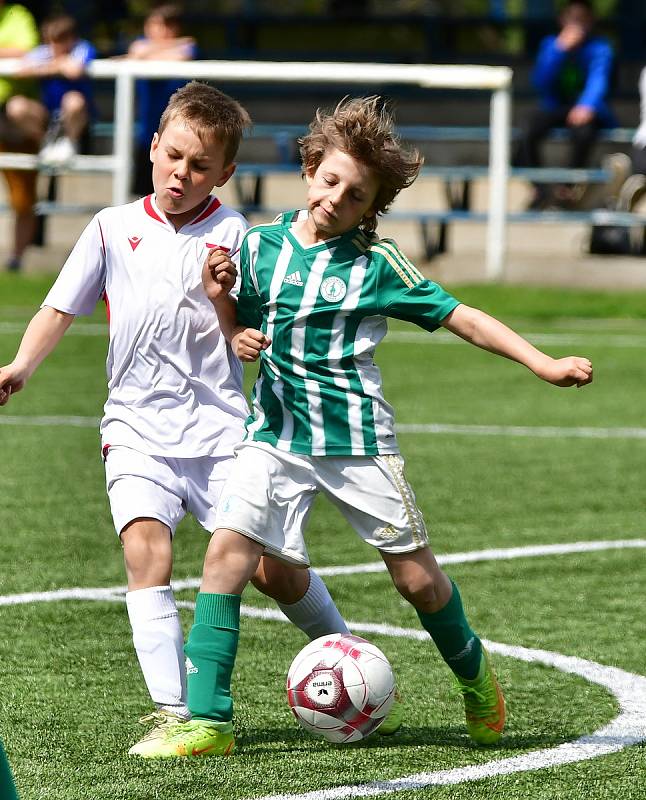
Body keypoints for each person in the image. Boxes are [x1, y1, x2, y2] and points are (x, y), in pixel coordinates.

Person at [144, 95, 594, 759]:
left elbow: (462, 316)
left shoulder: (379, 266)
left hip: (357, 445)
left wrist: (541, 362)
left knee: (416, 581)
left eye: (355, 196)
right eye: (330, 182)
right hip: (275, 439)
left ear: (372, 208)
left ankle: (474, 678)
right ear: (309, 170)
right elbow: (240, 320)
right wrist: (226, 310)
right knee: (227, 555)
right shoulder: (261, 247)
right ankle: (209, 721)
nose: (336, 200)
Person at [0, 81, 365, 757]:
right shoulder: (111, 227)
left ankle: (352, 673)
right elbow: (60, 307)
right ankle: (177, 713)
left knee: (274, 572)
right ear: (152, 150)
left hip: (224, 435)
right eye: (173, 157)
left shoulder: (238, 236)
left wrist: (240, 328)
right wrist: (20, 367)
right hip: (136, 431)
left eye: (199, 166)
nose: (181, 173)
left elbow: (255, 322)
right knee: (147, 550)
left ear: (224, 173)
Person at [515, 0, 616, 209]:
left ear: (591, 22)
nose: (577, 25)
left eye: (582, 19)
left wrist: (587, 105)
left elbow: (599, 80)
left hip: (586, 110)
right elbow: (540, 82)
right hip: (555, 107)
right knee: (527, 128)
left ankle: (566, 188)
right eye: (573, 19)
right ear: (562, 20)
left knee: (584, 132)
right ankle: (539, 189)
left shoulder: (600, 48)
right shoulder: (550, 45)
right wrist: (559, 51)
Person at [127, 3, 197, 197]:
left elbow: (180, 56)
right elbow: (137, 51)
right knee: (142, 197)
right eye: (151, 24)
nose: (151, 30)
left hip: (179, 136)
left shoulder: (187, 48)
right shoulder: (143, 44)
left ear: (172, 28)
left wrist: (151, 53)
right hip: (147, 136)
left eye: (158, 25)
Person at [16, 13, 96, 166]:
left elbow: (74, 71)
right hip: (47, 116)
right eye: (50, 41)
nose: (53, 47)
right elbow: (23, 70)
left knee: (73, 100)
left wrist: (45, 67)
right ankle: (47, 143)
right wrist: (58, 65)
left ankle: (69, 143)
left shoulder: (82, 47)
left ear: (72, 38)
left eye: (59, 41)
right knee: (17, 106)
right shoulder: (45, 50)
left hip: (78, 122)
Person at [0, 0, 39, 272]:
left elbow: (28, 52)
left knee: (22, 195)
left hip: (13, 117)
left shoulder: (19, 15)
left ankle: (15, 259)